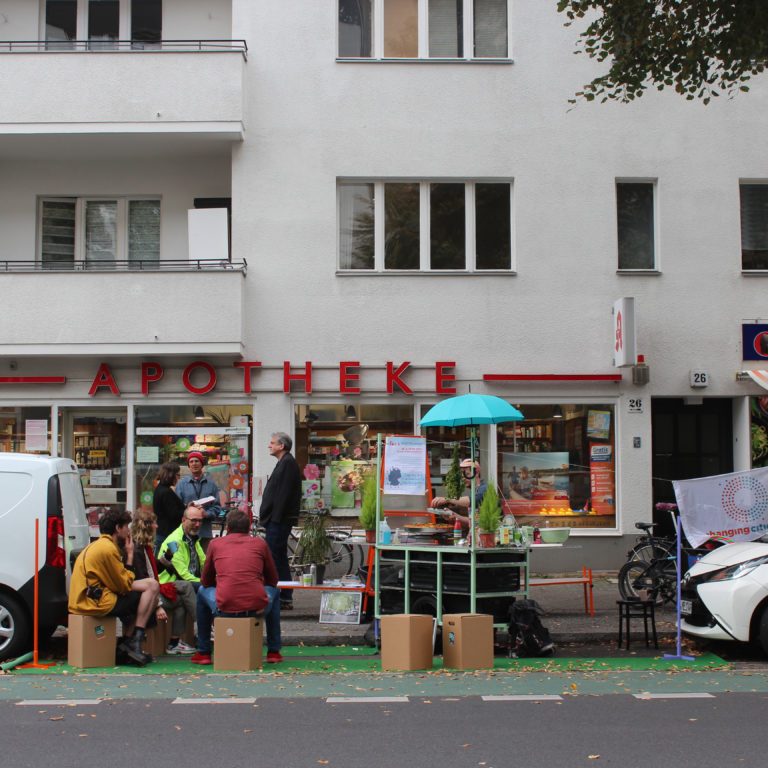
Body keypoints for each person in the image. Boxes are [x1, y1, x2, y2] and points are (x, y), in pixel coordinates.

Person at [190, 508, 282, 665]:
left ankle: (204, 651)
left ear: (227, 528)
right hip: (256, 605)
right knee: (275, 591)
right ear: (249, 529)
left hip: (225, 606)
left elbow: (206, 581)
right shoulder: (260, 544)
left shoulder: (215, 544)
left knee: (202, 591)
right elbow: (273, 580)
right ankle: (273, 651)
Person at [69, 508, 159, 667]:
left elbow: (118, 581)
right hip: (96, 602)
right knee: (147, 597)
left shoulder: (99, 545)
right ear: (118, 528)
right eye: (126, 526)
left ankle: (129, 643)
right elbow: (123, 585)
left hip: (90, 597)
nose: (129, 530)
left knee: (151, 586)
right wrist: (130, 557)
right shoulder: (109, 549)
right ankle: (132, 641)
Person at [130, 508, 196, 655]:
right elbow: (144, 579)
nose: (157, 526)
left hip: (153, 590)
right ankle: (204, 626)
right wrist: (158, 605)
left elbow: (155, 569)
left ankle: (175, 642)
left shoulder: (144, 547)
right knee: (183, 592)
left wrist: (168, 555)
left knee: (184, 590)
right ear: (147, 526)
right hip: (147, 596)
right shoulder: (137, 550)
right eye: (154, 523)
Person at [258, 432, 301, 610]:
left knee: (275, 557)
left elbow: (283, 494)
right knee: (278, 557)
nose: (269, 445)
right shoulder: (284, 463)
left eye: (272, 443)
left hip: (278, 520)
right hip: (276, 519)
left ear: (281, 446)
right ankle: (283, 595)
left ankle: (282, 595)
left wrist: (273, 519)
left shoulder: (288, 464)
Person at [174, 451, 222, 550]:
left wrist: (206, 514)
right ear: (188, 465)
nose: (194, 464)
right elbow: (175, 508)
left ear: (202, 464)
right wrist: (187, 509)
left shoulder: (211, 485)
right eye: (191, 462)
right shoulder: (181, 485)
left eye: (197, 461)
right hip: (186, 533)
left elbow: (217, 508)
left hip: (205, 533)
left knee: (204, 563)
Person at [157, 502, 207, 593]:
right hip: (172, 585)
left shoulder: (194, 539)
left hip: (190, 583)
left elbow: (205, 564)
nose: (197, 524)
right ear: (183, 520)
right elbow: (182, 574)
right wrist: (205, 583)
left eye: (200, 521)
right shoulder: (172, 541)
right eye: (194, 520)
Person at [431, 458, 488, 532]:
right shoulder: (474, 492)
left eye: (466, 474)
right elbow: (472, 522)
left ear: (476, 473)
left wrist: (447, 499)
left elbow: (474, 500)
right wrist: (455, 516)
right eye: (462, 475)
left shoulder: (485, 488)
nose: (463, 478)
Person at [153, 461, 185, 552]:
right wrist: (188, 510)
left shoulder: (159, 489)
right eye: (178, 475)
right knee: (172, 559)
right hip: (168, 535)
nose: (178, 478)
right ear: (171, 475)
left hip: (163, 533)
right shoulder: (166, 492)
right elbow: (174, 514)